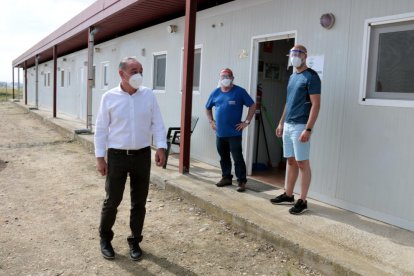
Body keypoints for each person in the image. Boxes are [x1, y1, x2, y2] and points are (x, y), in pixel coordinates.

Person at [94, 57, 167, 260]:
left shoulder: (148, 95)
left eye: (141, 70)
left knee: (139, 202)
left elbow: (158, 122)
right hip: (117, 156)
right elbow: (100, 129)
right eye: (134, 70)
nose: (138, 75)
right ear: (121, 73)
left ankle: (135, 241)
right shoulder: (109, 97)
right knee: (112, 200)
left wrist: (161, 146)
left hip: (142, 155)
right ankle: (105, 239)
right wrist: (100, 157)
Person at [270, 45, 321, 215]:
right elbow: (288, 102)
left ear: (305, 55)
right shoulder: (292, 77)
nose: (295, 56)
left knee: (302, 163)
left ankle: (303, 200)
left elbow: (316, 104)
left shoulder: (312, 77)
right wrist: (280, 122)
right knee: (290, 161)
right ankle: (289, 195)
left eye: (298, 53)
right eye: (292, 53)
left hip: (301, 125)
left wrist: (308, 128)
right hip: (288, 125)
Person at [205, 68, 256, 192]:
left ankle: (241, 181)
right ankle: (226, 177)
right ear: (220, 78)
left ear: (232, 78)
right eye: (223, 76)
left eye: (228, 76)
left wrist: (246, 122)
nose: (225, 79)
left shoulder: (239, 92)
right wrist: (211, 121)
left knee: (237, 157)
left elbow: (252, 105)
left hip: (234, 133)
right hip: (220, 133)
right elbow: (207, 108)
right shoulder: (215, 93)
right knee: (224, 156)